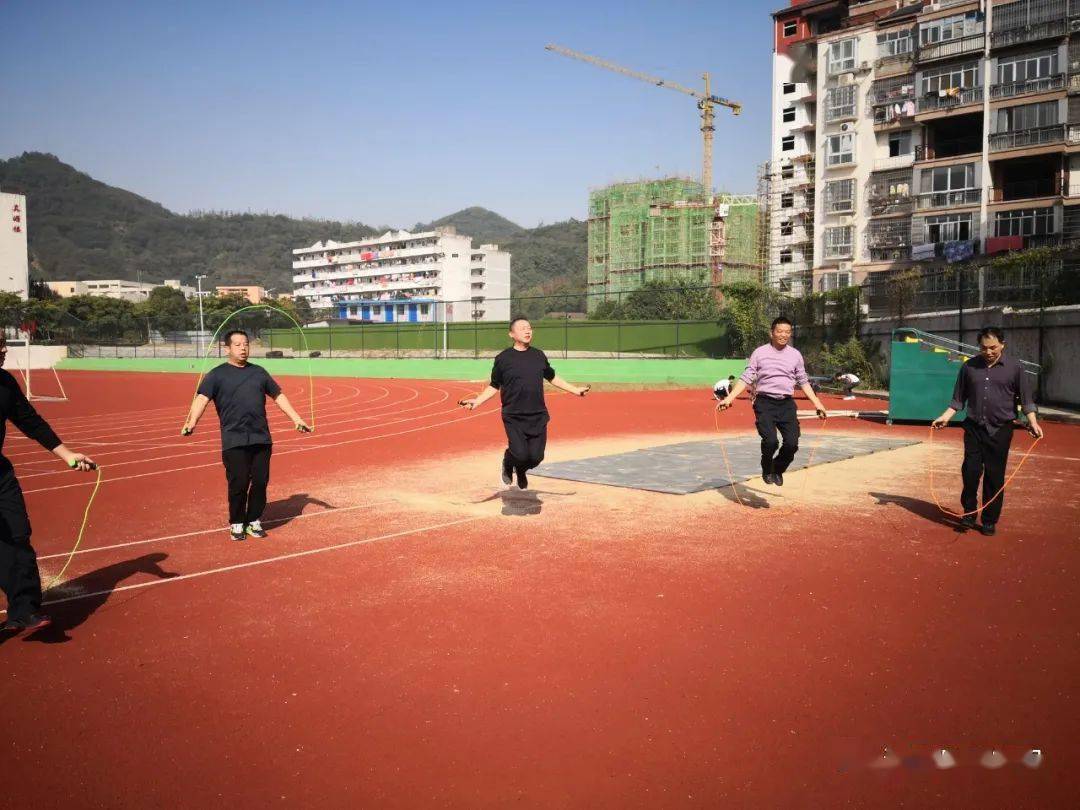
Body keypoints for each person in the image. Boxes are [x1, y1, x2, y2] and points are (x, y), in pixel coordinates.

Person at [0, 335, 96, 633]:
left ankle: (24, 610)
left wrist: (66, 455)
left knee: (17, 536)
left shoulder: (4, 382)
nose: (4, 348)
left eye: (3, 342)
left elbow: (30, 421)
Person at [182, 330, 312, 541]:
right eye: (238, 345)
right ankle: (236, 522)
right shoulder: (216, 375)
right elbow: (202, 398)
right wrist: (191, 422)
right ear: (227, 349)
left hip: (261, 438)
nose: (243, 348)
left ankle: (253, 520)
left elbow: (278, 395)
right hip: (234, 440)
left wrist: (296, 418)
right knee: (239, 483)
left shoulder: (259, 372)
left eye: (246, 344)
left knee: (260, 482)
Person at [931, 326, 1042, 537]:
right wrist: (945, 417)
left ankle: (989, 520)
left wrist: (1032, 422)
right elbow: (957, 399)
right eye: (983, 348)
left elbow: (1026, 400)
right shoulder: (969, 367)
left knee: (994, 475)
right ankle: (970, 513)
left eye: (993, 347)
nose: (988, 352)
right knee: (970, 472)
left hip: (1001, 429)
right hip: (974, 427)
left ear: (1002, 345)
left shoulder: (1015, 368)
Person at [459, 318, 589, 490]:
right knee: (519, 454)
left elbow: (552, 377)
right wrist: (477, 401)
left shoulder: (538, 355)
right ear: (512, 334)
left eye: (529, 328)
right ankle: (508, 461)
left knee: (536, 457)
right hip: (513, 416)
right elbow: (495, 385)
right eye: (522, 328)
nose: (528, 331)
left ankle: (520, 470)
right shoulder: (503, 358)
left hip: (537, 415)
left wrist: (574, 390)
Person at [717, 316, 827, 486]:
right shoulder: (760, 353)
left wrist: (817, 404)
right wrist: (729, 399)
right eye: (780, 331)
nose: (783, 335)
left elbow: (803, 381)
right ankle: (766, 466)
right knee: (771, 441)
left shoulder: (795, 355)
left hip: (786, 404)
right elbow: (746, 377)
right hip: (764, 403)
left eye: (787, 332)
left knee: (791, 443)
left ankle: (778, 468)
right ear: (772, 333)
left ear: (790, 334)